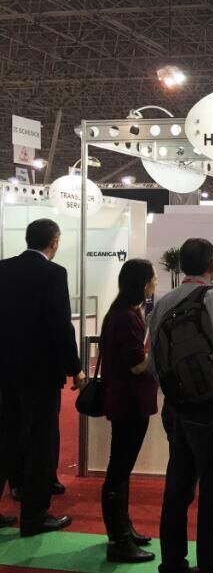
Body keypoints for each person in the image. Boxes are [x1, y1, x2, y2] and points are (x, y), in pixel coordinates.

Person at [148, 238, 213, 573]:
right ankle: (212, 564)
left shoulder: (164, 301)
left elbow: (153, 361)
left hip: (175, 407)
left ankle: (172, 563)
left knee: (177, 487)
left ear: (181, 266)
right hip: (210, 408)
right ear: (212, 265)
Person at [0, 218, 83, 536]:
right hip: (41, 374)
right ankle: (34, 516)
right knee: (40, 442)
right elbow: (61, 325)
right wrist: (74, 368)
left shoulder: (4, 269)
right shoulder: (54, 273)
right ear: (54, 242)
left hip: (6, 371)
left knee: (7, 437)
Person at [99, 259, 159, 563]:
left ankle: (123, 528)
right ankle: (118, 539)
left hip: (125, 401)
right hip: (129, 403)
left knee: (121, 468)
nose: (156, 283)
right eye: (153, 279)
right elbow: (137, 365)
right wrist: (160, 356)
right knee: (119, 470)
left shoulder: (119, 313)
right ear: (143, 283)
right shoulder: (126, 318)